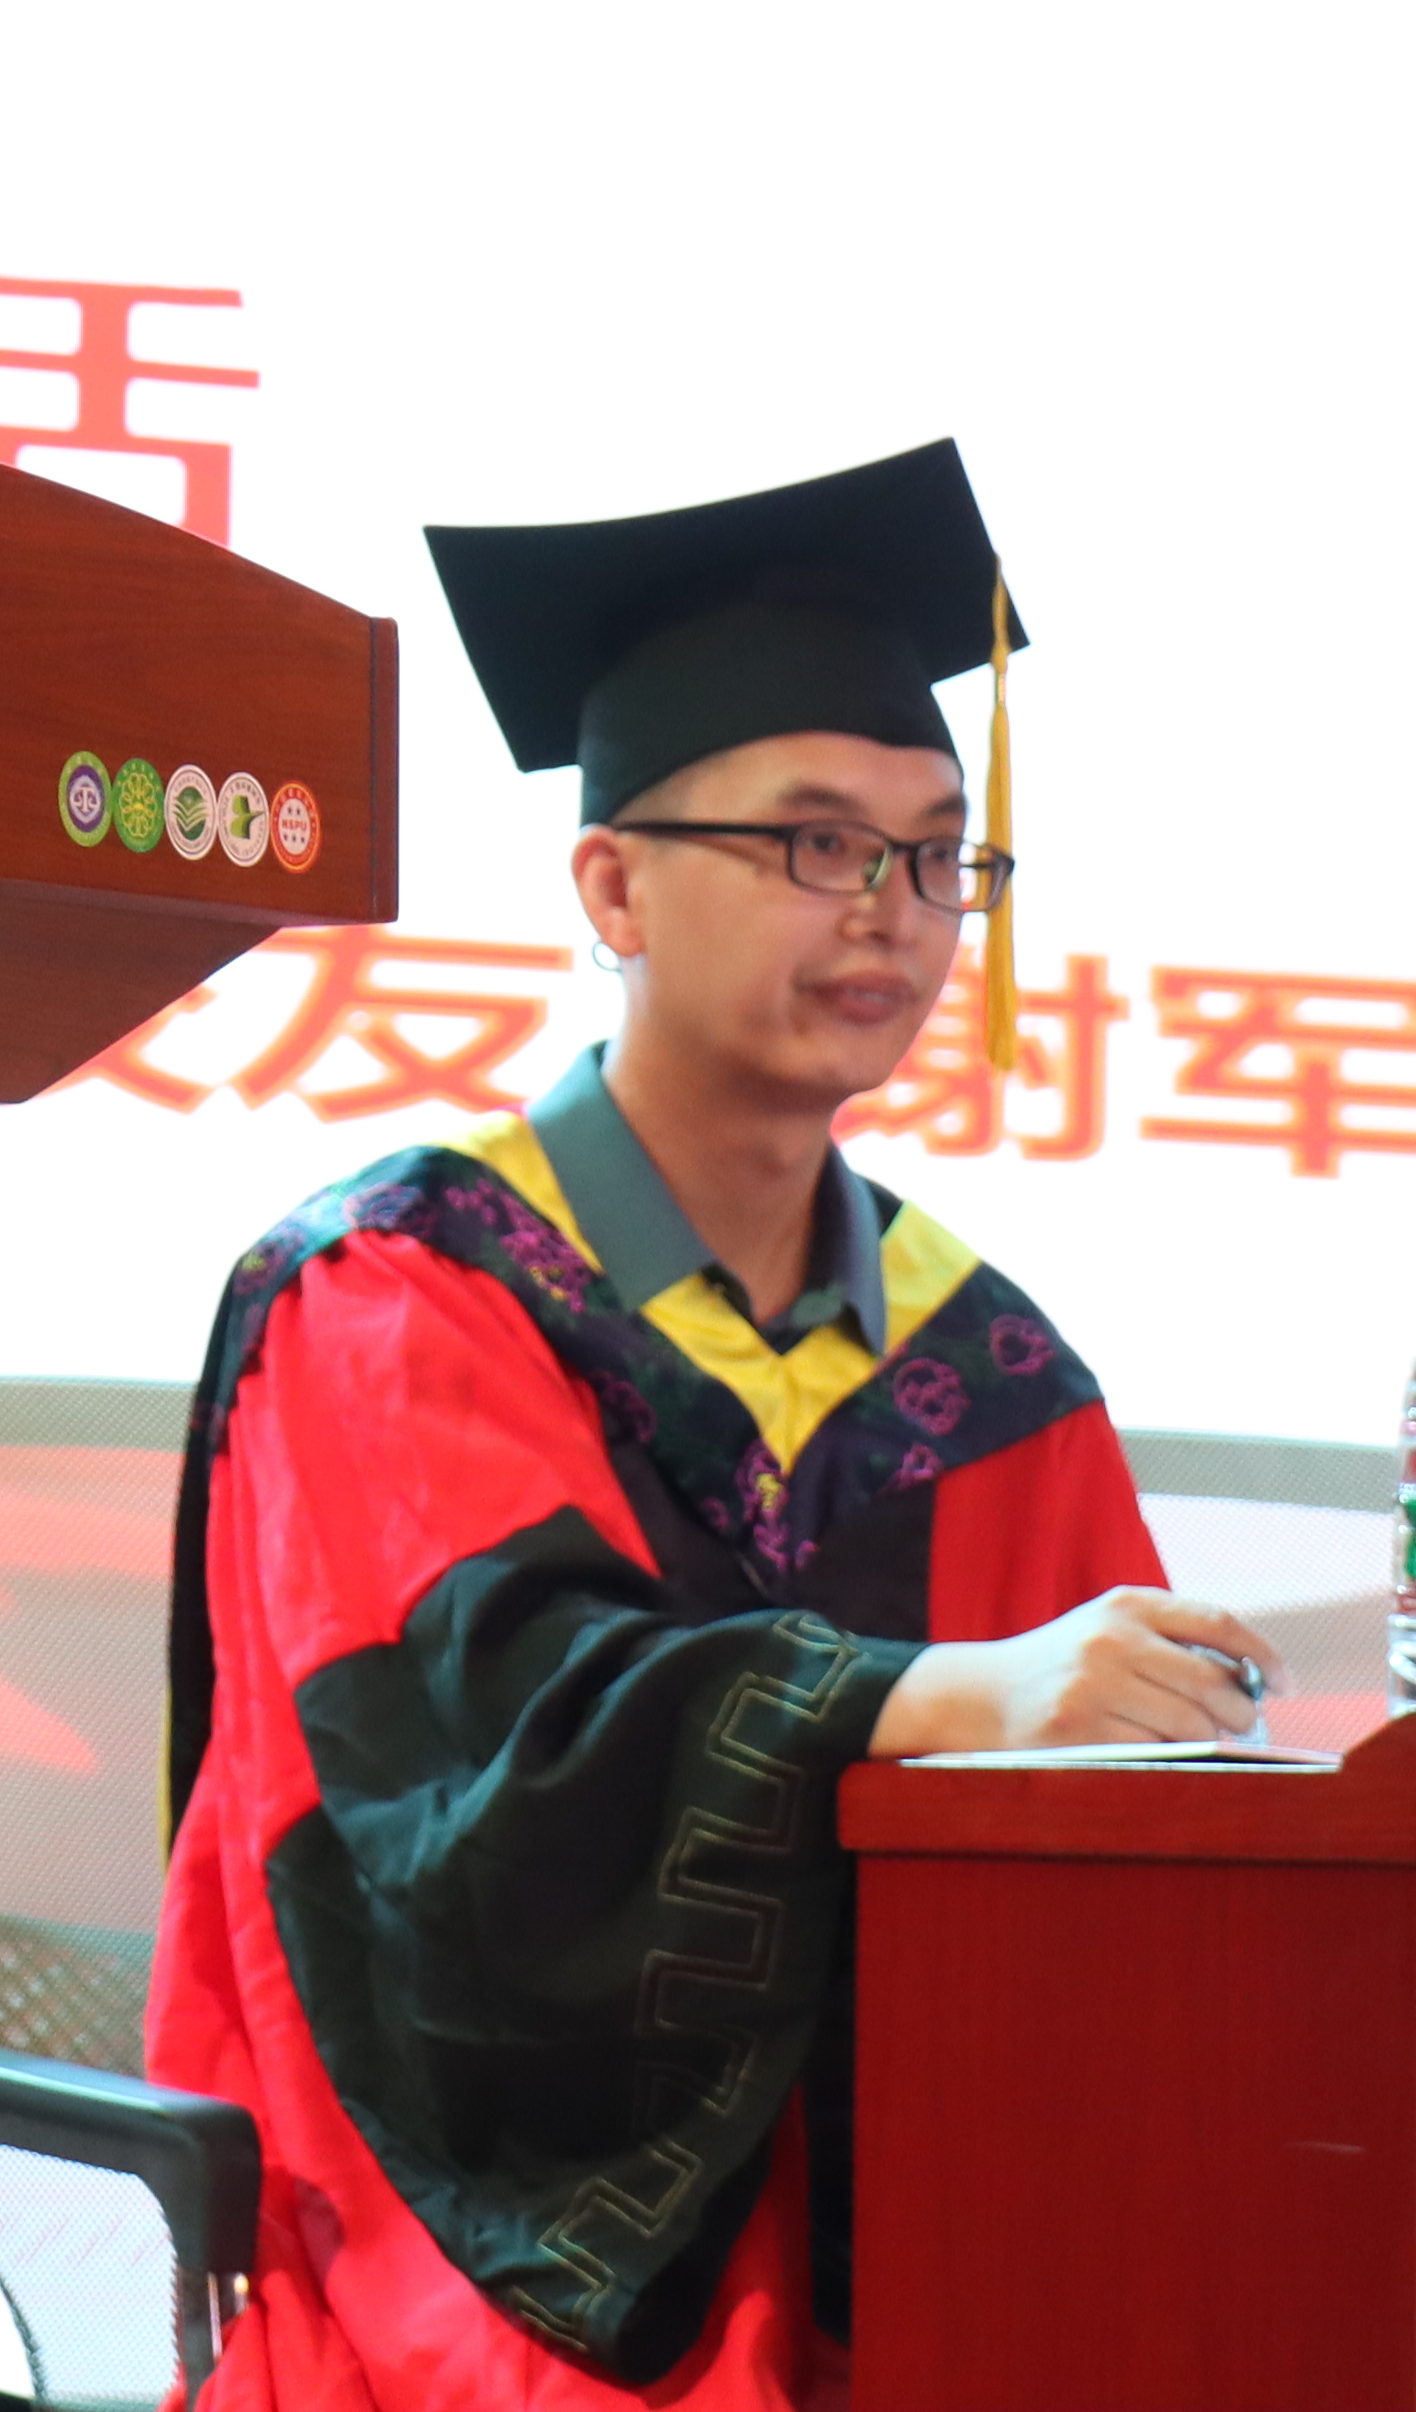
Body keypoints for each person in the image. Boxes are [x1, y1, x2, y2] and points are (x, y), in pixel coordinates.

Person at [148, 440, 1269, 2412]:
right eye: (816, 844)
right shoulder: (399, 1293)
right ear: (613, 884)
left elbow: (1124, 1841)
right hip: (464, 2243)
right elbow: (487, 1786)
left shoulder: (988, 1375)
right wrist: (931, 1697)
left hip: (918, 2229)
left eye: (937, 855)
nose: (894, 915)